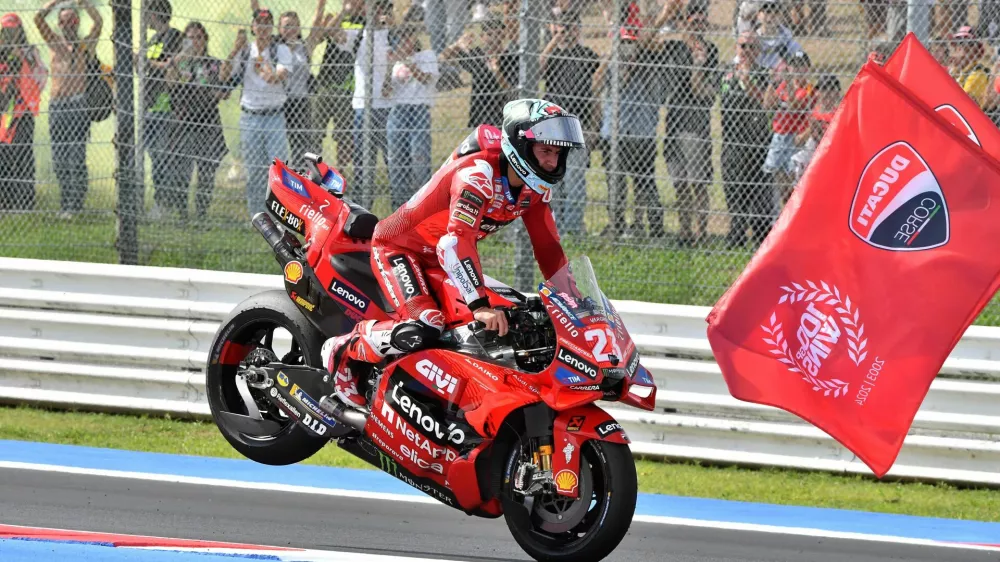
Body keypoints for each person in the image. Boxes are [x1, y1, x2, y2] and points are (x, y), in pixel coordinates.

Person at [321, 98, 585, 408]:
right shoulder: (477, 174)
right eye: (545, 151)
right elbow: (457, 240)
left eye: (557, 153)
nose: (552, 163)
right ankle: (343, 349)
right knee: (428, 324)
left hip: (443, 261)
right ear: (521, 146)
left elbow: (549, 248)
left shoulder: (534, 189)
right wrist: (480, 306)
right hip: (401, 249)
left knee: (499, 319)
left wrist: (575, 302)